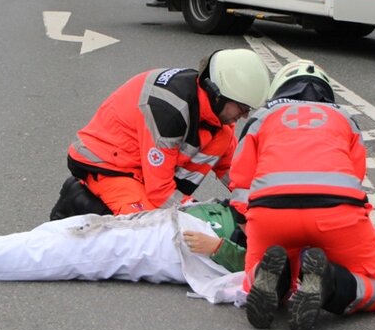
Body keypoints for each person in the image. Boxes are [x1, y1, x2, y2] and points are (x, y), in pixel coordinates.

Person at [0, 198, 375, 305]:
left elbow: (266, 274)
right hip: (178, 223)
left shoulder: (319, 260)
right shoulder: (318, 228)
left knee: (79, 253)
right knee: (76, 228)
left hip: (184, 249)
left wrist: (220, 247)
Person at [231, 60, 375, 330]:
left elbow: (241, 180)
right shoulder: (344, 118)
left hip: (271, 214)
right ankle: (329, 282)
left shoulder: (262, 117)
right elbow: (356, 176)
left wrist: (248, 224)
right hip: (335, 213)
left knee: (252, 279)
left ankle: (279, 280)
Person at [59, 49, 272, 217]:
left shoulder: (218, 118)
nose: (244, 116)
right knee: (146, 230)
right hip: (109, 164)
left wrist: (265, 204)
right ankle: (77, 201)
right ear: (217, 95)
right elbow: (160, 192)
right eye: (242, 108)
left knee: (222, 140)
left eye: (248, 110)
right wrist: (202, 216)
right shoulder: (170, 111)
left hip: (145, 169)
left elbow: (234, 171)